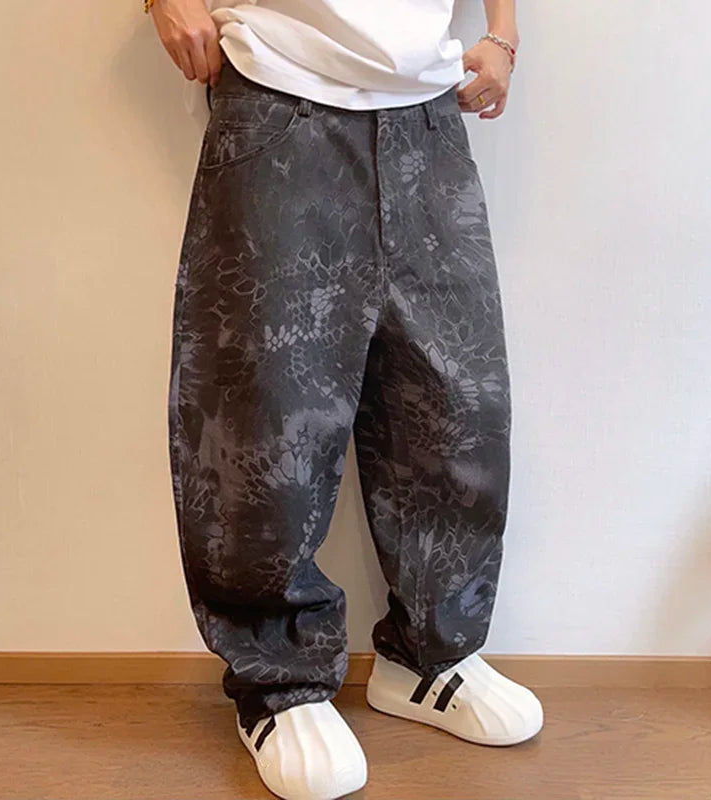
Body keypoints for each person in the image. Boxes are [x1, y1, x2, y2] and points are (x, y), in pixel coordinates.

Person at [151, 1, 543, 798]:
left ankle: (427, 658)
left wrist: (503, 34)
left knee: (456, 402)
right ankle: (278, 681)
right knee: (267, 415)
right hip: (278, 97)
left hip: (430, 111)